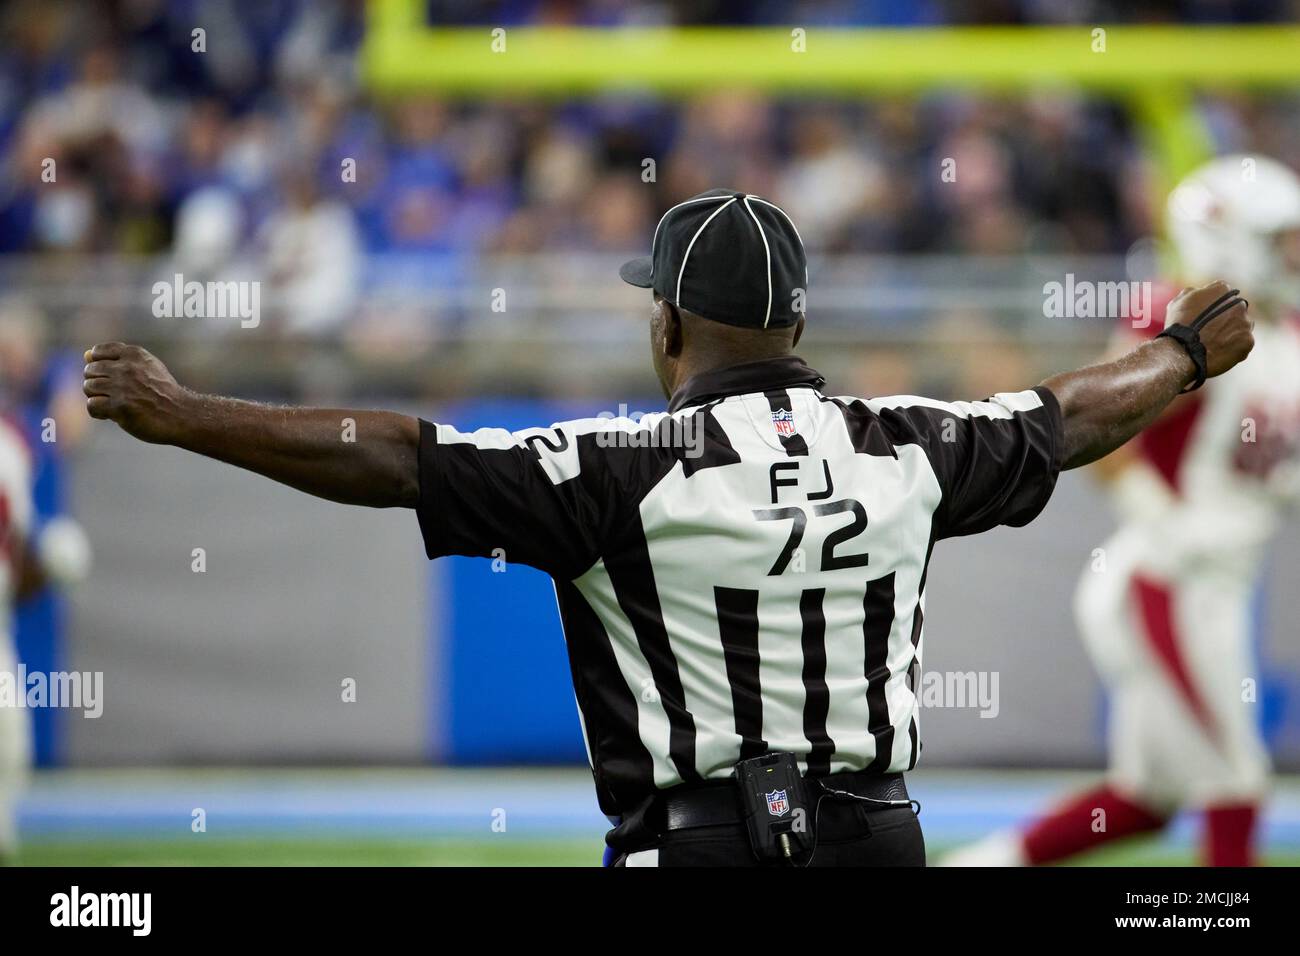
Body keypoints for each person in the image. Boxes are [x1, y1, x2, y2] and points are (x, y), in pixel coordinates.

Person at [80, 188, 1254, 866]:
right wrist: (1185, 353)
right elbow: (1065, 417)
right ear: (794, 320)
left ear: (671, 326)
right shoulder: (911, 442)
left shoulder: (616, 469)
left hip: (700, 846)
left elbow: (394, 456)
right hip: (881, 838)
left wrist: (187, 416)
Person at [944, 156, 1300, 868]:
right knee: (1236, 780)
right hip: (1168, 579)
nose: (1293, 253)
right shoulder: (1185, 317)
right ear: (1231, 237)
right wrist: (1171, 523)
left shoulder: (1286, 325)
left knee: (1145, 799)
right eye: (1281, 238)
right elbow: (1106, 448)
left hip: (1217, 582)